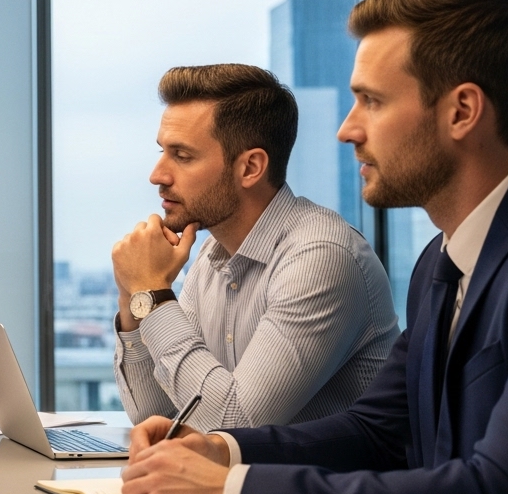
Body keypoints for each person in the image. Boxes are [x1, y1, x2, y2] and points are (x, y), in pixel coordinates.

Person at [119, 0, 508, 494]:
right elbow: (381, 432)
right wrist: (223, 451)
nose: (346, 129)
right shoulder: (442, 259)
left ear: (462, 111)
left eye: (373, 101)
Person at [110, 64, 398, 429]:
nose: (158, 175)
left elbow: (233, 426)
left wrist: (152, 291)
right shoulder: (212, 254)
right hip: (248, 484)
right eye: (162, 152)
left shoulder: (321, 257)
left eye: (182, 156)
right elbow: (161, 418)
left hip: (325, 485)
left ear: (250, 168)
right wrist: (133, 297)